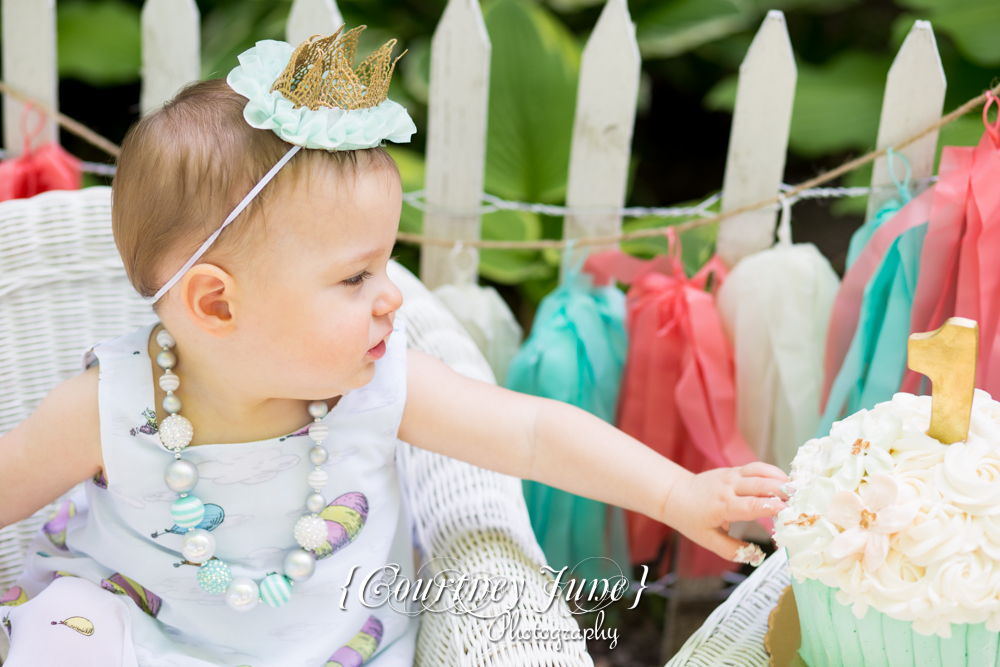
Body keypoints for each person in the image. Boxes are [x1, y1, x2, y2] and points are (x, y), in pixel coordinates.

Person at [0, 30, 787, 667]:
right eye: (355, 277)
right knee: (65, 636)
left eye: (385, 263)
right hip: (135, 639)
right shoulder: (112, 406)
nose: (393, 296)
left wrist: (681, 494)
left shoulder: (376, 386)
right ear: (215, 302)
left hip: (333, 648)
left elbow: (532, 432)